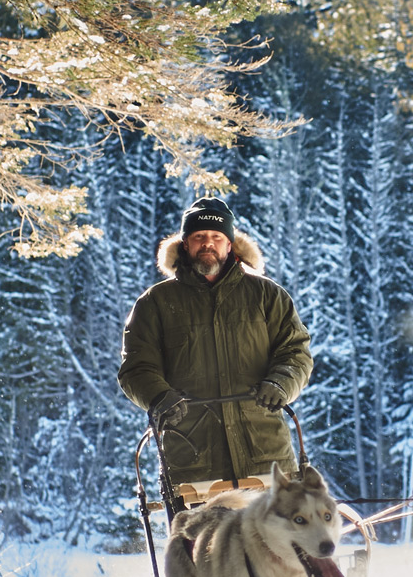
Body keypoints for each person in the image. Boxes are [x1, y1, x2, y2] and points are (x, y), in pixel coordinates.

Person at [118, 197, 313, 500]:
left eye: (216, 237)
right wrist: (160, 396)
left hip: (266, 458)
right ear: (185, 244)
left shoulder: (267, 295)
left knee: (276, 545)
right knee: (201, 547)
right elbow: (136, 368)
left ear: (230, 244)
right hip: (192, 462)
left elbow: (295, 351)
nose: (207, 244)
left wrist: (281, 383)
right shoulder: (155, 303)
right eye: (198, 237)